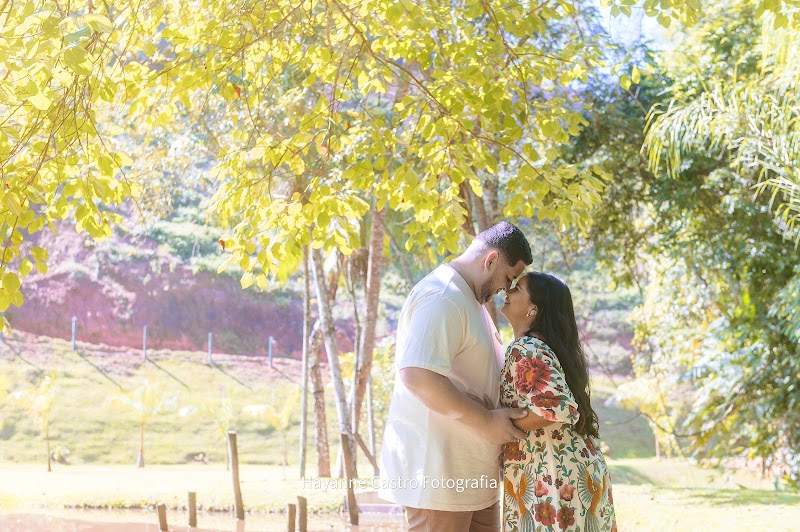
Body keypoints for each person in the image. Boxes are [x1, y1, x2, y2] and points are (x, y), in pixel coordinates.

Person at [379, 222, 534, 532]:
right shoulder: (443, 296)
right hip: (439, 476)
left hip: (470, 477)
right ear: (490, 260)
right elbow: (418, 375)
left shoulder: (470, 300)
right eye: (507, 277)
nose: (507, 288)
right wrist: (487, 421)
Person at [499, 272, 617, 532]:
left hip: (551, 472)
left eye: (517, 289)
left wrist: (498, 424)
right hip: (575, 468)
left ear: (533, 309)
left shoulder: (526, 348)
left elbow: (555, 410)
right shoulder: (546, 346)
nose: (507, 290)